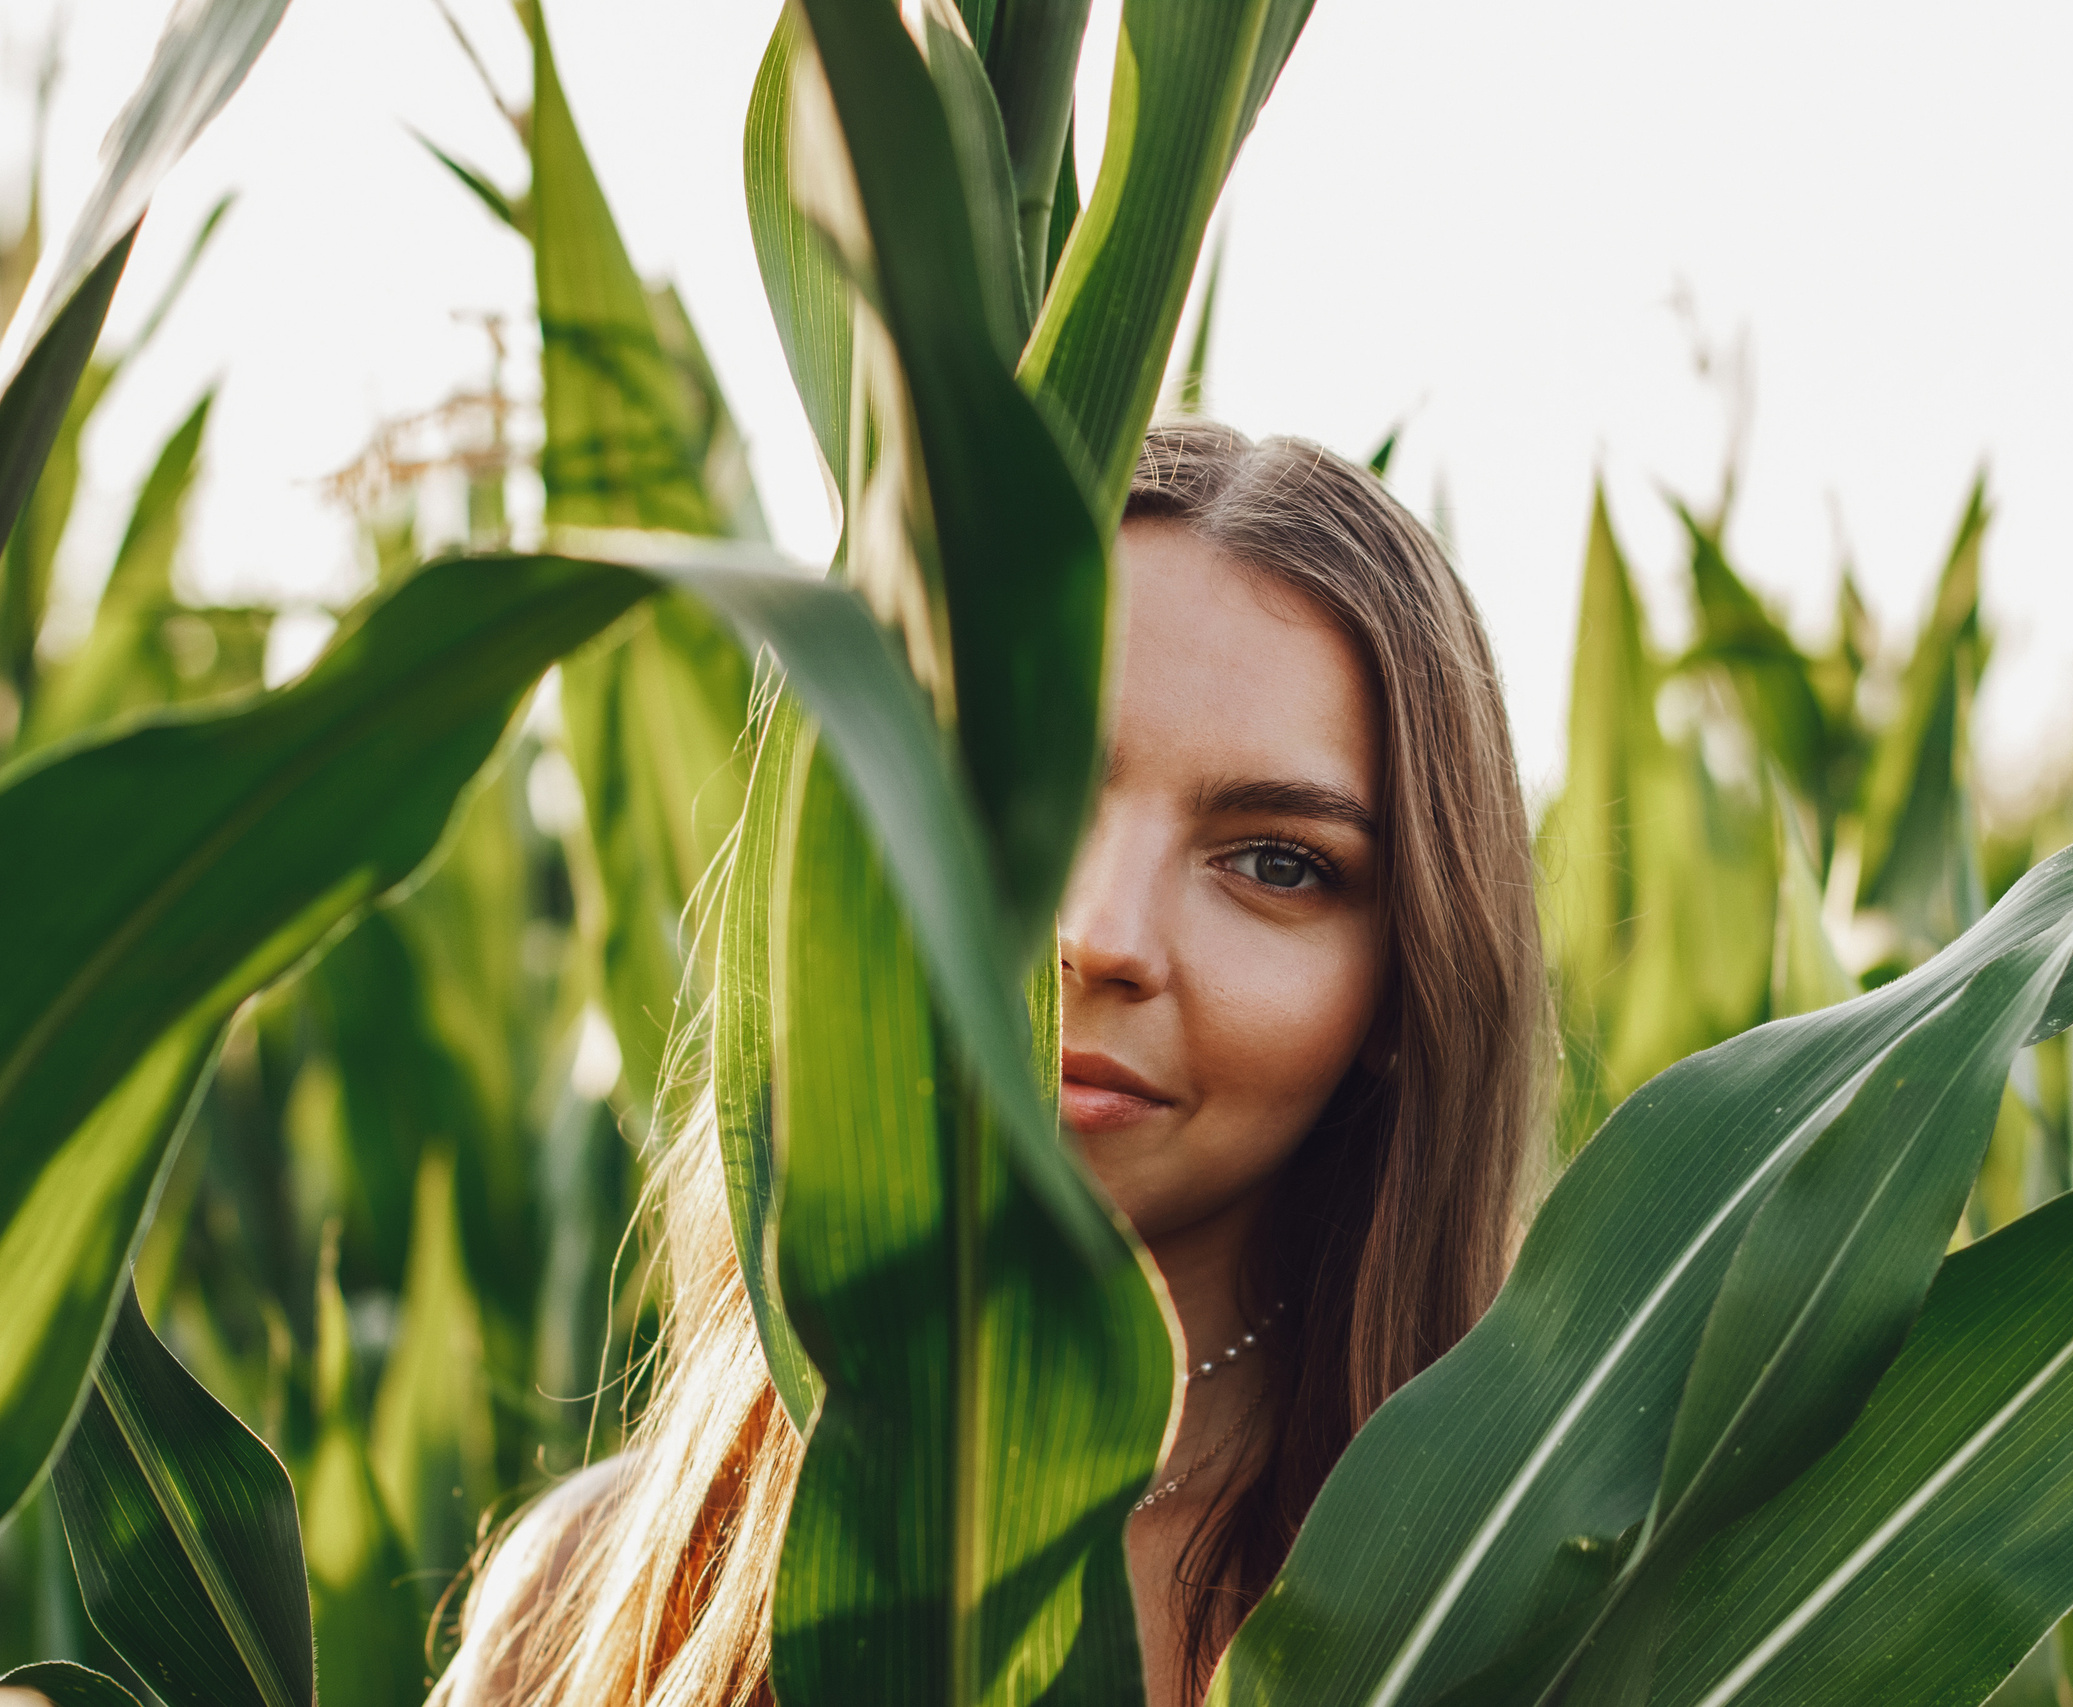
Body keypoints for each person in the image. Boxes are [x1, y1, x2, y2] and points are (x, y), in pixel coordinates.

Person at [427, 421, 1552, 1707]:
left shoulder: (1556, 1634)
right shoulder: (600, 1594)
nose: (1098, 937)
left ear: (1406, 986)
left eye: (1277, 862)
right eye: (1023, 790)